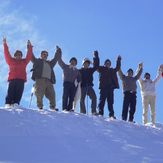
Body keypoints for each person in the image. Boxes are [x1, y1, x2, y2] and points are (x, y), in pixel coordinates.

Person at [3, 37, 33, 107]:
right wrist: (5, 44)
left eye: (20, 55)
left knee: (18, 92)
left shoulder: (24, 62)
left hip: (21, 79)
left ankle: (16, 104)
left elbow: (29, 55)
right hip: (12, 79)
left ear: (21, 56)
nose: (18, 56)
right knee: (10, 92)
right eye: (17, 54)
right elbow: (6, 54)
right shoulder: (11, 61)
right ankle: (8, 104)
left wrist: (29, 46)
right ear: (14, 55)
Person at [30, 45, 61, 110]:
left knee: (52, 94)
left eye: (47, 55)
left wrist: (58, 51)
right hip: (40, 80)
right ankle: (40, 106)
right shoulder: (37, 61)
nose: (45, 56)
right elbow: (31, 56)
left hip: (49, 81)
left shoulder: (50, 63)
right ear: (41, 55)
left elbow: (55, 58)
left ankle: (52, 107)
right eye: (44, 54)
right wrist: (29, 46)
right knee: (39, 93)